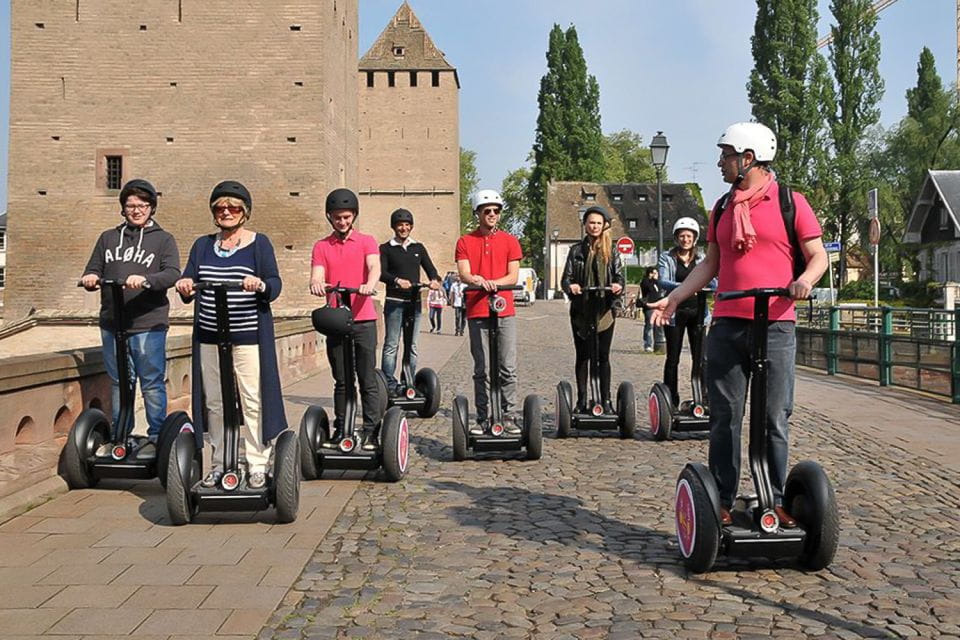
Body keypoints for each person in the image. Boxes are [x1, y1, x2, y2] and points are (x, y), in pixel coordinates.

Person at [650, 122, 827, 529]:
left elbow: (818, 255)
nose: (719, 162)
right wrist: (676, 297)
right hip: (728, 324)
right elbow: (711, 264)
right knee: (724, 416)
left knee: (774, 418)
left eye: (725, 155)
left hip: (777, 324)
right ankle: (723, 501)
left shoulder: (790, 202)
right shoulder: (722, 208)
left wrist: (804, 281)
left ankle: (776, 499)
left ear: (748, 158)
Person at [175, 181, 286, 490]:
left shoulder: (259, 244)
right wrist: (185, 285)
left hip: (247, 335)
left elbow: (274, 283)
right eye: (220, 208)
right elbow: (189, 278)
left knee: (251, 401)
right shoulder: (202, 245)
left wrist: (260, 285)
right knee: (215, 403)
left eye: (233, 207)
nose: (226, 212)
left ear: (244, 212)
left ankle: (257, 463)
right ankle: (221, 462)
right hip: (210, 336)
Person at [81, 179, 181, 459]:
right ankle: (120, 436)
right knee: (119, 382)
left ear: (152, 208)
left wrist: (147, 280)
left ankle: (156, 437)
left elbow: (173, 273)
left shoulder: (163, 239)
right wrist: (90, 278)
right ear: (123, 208)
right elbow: (93, 268)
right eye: (131, 206)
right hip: (113, 323)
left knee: (151, 382)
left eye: (142, 205)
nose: (136, 210)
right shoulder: (108, 238)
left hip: (148, 322)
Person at [310, 188, 383, 450]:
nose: (342, 222)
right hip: (336, 320)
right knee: (342, 379)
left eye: (347, 217)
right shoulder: (322, 246)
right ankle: (342, 428)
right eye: (337, 217)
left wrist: (369, 283)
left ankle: (372, 430)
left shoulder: (367, 241)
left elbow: (374, 266)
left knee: (367, 378)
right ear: (330, 217)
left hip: (363, 318)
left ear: (354, 216)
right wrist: (317, 282)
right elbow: (317, 273)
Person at [455, 189, 523, 435]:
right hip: (477, 309)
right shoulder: (465, 242)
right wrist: (478, 280)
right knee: (482, 368)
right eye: (487, 211)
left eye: (496, 211)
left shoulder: (510, 241)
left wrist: (494, 282)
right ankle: (483, 417)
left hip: (504, 310)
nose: (492, 214)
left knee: (507, 366)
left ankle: (509, 415)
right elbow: (464, 272)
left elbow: (513, 275)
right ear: (478, 214)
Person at [560, 205, 625, 413]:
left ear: (604, 225)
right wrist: (571, 286)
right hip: (582, 310)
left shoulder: (611, 251)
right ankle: (581, 401)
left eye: (598, 223)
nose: (594, 226)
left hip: (605, 310)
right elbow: (565, 279)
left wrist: (617, 285)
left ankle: (605, 401)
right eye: (591, 222)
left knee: (603, 356)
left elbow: (619, 276)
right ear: (585, 225)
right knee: (583, 356)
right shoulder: (576, 251)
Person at [378, 207, 441, 394]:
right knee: (391, 344)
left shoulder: (418, 248)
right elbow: (381, 273)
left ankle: (408, 383)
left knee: (411, 345)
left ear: (411, 227)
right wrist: (397, 281)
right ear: (394, 227)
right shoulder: (386, 248)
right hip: (394, 301)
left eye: (406, 225)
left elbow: (431, 269)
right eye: (400, 225)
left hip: (414, 302)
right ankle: (388, 384)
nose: (403, 228)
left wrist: (435, 281)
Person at [658, 218, 715, 408]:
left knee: (701, 357)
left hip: (698, 313)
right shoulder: (667, 258)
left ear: (695, 238)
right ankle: (670, 400)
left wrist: (705, 284)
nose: (685, 239)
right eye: (682, 236)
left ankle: (703, 398)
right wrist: (689, 287)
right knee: (672, 358)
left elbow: (715, 282)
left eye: (689, 236)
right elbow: (663, 281)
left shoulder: (702, 260)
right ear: (676, 238)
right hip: (675, 312)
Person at [639, 268, 663, 352]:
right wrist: (652, 280)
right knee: (649, 325)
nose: (656, 275)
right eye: (654, 273)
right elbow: (648, 289)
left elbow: (659, 290)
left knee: (658, 325)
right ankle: (647, 344)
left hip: (657, 306)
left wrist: (656, 280)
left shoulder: (657, 282)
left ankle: (658, 344)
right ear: (649, 273)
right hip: (649, 306)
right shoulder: (645, 281)